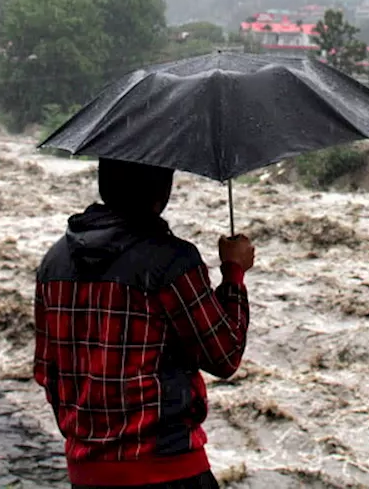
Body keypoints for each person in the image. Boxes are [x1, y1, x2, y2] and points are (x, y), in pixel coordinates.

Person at [34, 158, 254, 488]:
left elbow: (46, 372)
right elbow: (225, 356)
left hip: (87, 473)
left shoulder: (54, 263)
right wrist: (233, 273)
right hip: (168, 470)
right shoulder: (172, 261)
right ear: (161, 189)